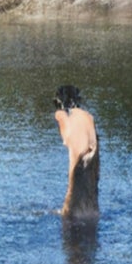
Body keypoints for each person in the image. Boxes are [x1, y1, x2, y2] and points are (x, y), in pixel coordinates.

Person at [53, 84, 99, 219]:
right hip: (92, 199)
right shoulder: (89, 117)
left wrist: (59, 114)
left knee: (69, 215)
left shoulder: (65, 117)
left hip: (78, 168)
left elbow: (66, 137)